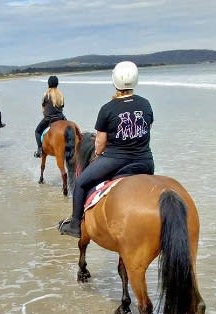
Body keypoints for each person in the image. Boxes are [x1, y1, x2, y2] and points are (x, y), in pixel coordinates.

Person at [58, 61, 155, 238]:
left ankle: (74, 226)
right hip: (145, 162)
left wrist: (98, 154)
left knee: (80, 183)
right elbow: (146, 130)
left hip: (115, 161)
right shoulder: (146, 104)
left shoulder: (108, 109)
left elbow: (100, 144)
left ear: (115, 81)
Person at [33, 75, 65, 158]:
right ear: (57, 84)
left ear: (48, 84)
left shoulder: (46, 94)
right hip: (60, 118)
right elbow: (61, 108)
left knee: (37, 131)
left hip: (49, 119)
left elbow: (44, 109)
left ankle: (39, 150)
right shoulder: (60, 95)